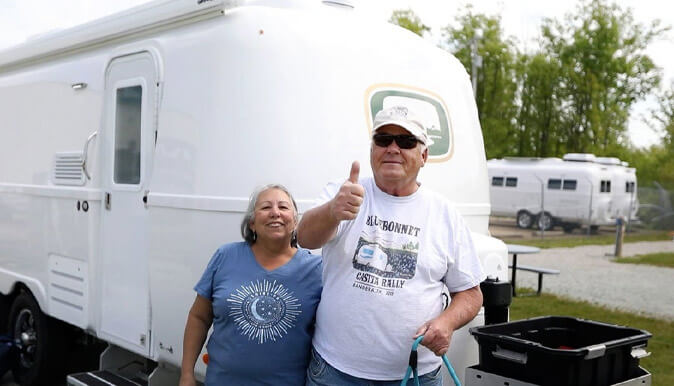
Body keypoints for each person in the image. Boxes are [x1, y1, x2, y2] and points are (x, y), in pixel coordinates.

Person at [297, 106, 485, 385]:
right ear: (373, 149)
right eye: (383, 139)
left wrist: (446, 323)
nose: (393, 148)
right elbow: (305, 238)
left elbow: (470, 294)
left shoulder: (444, 213)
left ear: (424, 156)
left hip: (416, 375)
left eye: (406, 141)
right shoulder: (345, 193)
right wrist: (332, 212)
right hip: (336, 371)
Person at [180, 184, 323, 386]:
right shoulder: (225, 256)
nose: (275, 213)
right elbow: (199, 317)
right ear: (252, 223)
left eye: (283, 207)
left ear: (295, 221)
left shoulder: (315, 269)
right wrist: (187, 374)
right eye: (265, 207)